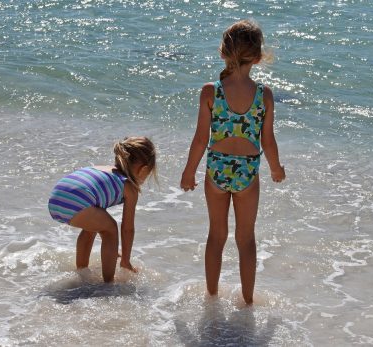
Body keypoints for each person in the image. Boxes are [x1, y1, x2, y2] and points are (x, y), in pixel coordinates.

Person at [180, 19, 286, 305]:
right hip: (247, 173)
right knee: (246, 239)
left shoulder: (211, 91)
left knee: (216, 236)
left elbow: (201, 139)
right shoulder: (264, 95)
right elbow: (268, 141)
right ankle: (248, 301)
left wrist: (189, 171)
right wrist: (276, 168)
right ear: (259, 57)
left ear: (223, 52)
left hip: (217, 169)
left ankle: (211, 297)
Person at [48, 136, 156, 282]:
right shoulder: (130, 187)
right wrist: (125, 260)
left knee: (91, 228)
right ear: (143, 169)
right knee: (110, 229)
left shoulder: (105, 169)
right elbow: (127, 228)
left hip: (56, 198)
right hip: (78, 201)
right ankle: (108, 282)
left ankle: (81, 270)